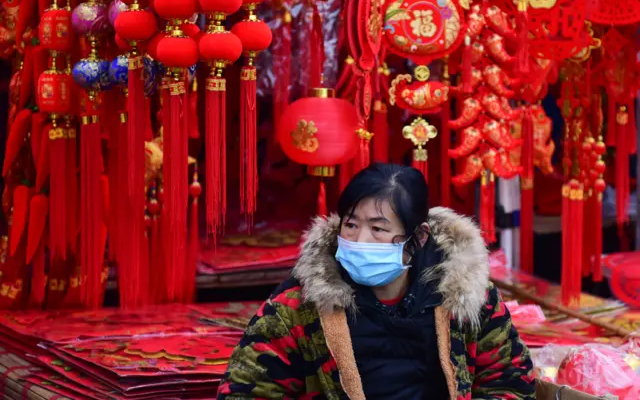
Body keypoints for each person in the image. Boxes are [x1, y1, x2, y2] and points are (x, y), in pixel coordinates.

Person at [217, 163, 535, 400]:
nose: (359, 239)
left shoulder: (465, 298)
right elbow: (246, 392)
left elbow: (509, 381)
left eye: (378, 229)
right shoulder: (298, 307)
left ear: (419, 237)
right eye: (351, 225)